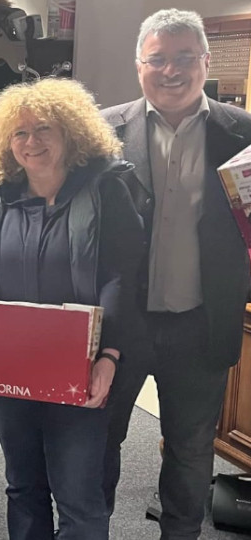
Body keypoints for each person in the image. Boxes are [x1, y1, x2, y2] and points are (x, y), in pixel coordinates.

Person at [0, 78, 145, 540]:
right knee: (23, 486)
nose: (30, 142)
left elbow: (121, 276)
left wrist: (109, 356)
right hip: (9, 366)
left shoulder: (105, 191)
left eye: (43, 129)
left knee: (78, 493)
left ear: (71, 133)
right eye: (19, 133)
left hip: (81, 364)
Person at [101, 9, 251, 539]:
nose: (171, 70)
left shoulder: (244, 136)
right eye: (158, 59)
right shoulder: (102, 132)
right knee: (99, 443)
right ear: (138, 65)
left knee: (190, 455)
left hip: (201, 324)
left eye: (185, 58)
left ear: (206, 62)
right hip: (120, 327)